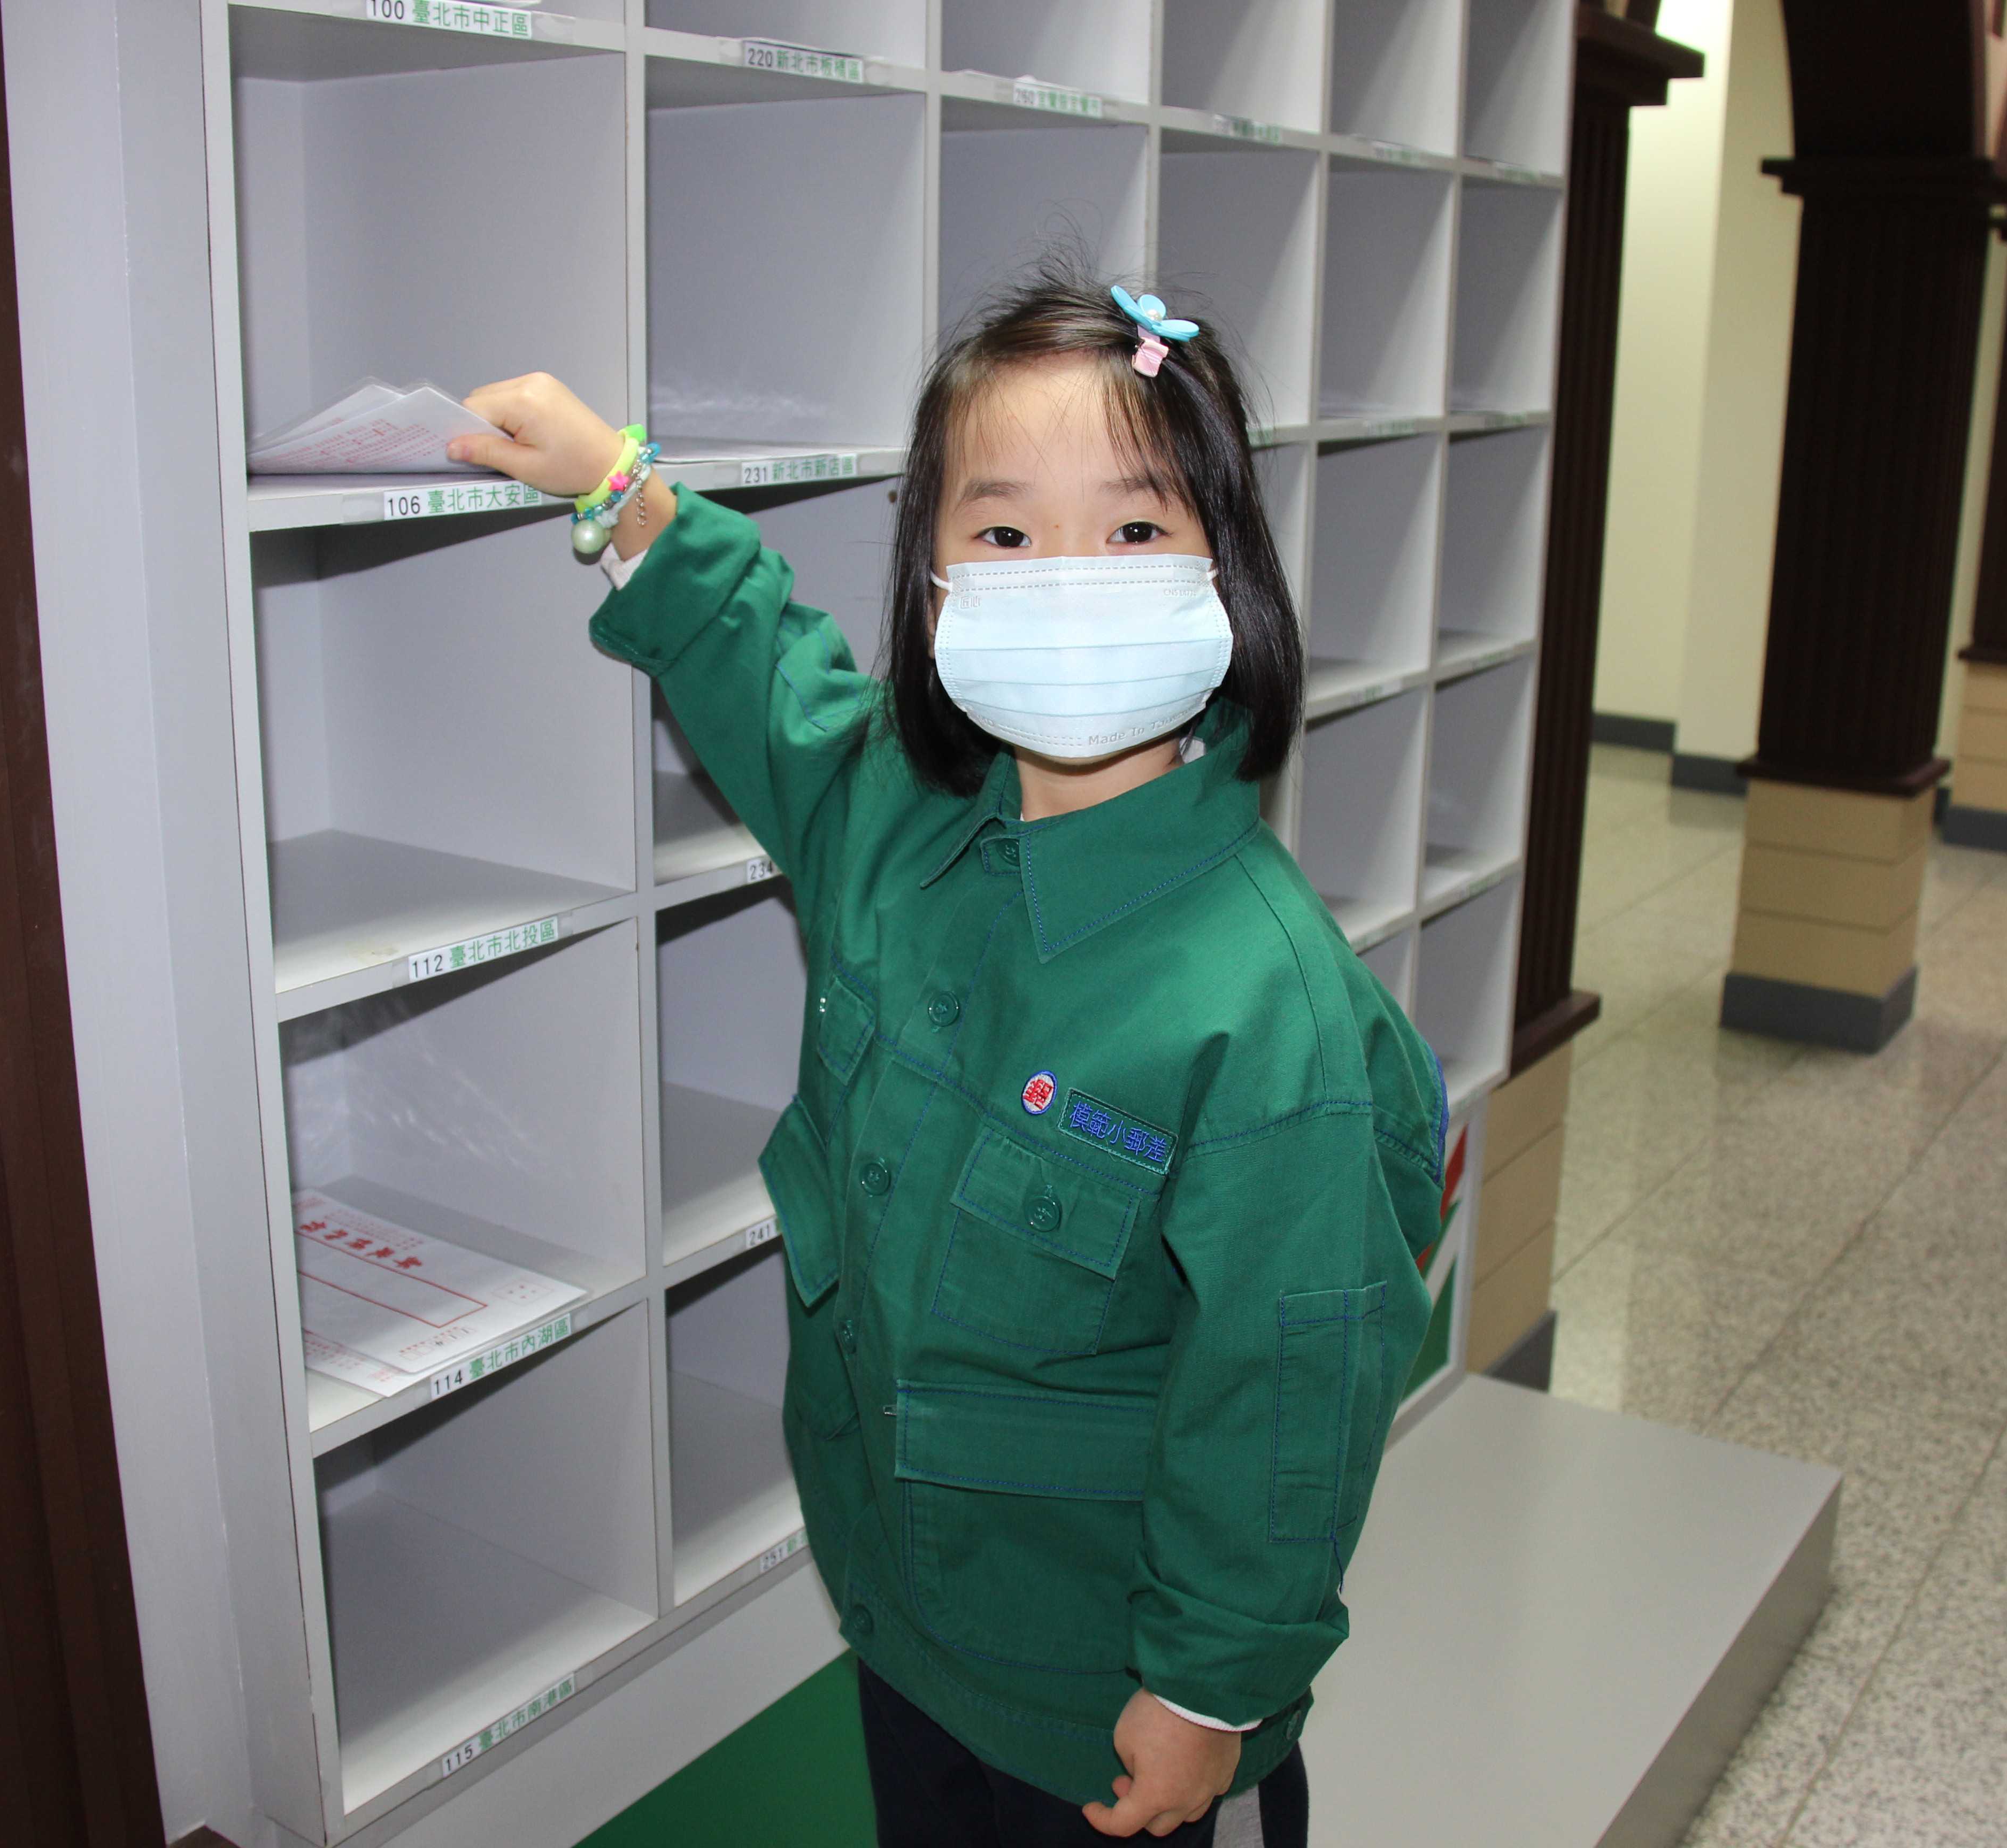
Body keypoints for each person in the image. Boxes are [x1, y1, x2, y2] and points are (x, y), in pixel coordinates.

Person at [450, 268, 1444, 1847]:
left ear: (1230, 574)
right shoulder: (896, 822)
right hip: (905, 1615)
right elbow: (769, 681)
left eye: (1135, 528)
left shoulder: (1275, 1013)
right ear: (931, 583)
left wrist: (1210, 1692)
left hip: (1112, 1701)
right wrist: (621, 492)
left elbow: (1293, 1395)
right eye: (1004, 534)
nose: (1069, 581)